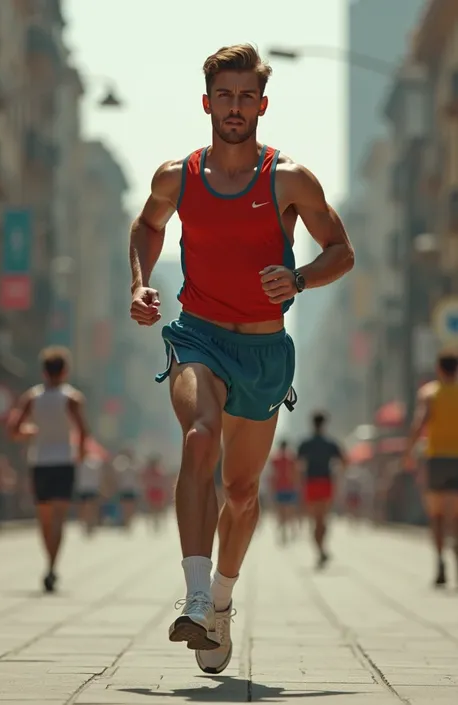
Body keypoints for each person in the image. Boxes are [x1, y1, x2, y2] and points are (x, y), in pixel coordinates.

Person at [129, 43, 354, 674]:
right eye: (223, 96)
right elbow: (147, 226)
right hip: (197, 335)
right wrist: (139, 282)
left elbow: (342, 250)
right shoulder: (178, 176)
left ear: (261, 104)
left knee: (243, 491)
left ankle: (222, 602)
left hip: (262, 350)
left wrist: (302, 279)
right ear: (207, 103)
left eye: (245, 96)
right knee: (200, 438)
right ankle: (196, 597)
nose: (235, 107)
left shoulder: (290, 178)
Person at [8, 346, 88, 592]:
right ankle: (52, 567)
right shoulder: (72, 398)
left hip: (39, 461)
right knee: (59, 519)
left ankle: (49, 563)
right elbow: (83, 431)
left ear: (43, 371)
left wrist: (31, 432)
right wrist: (81, 454)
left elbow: (14, 429)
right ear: (65, 371)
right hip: (64, 461)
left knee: (44, 519)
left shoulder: (31, 397)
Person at [404, 351, 458, 587]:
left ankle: (439, 561)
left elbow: (420, 422)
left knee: (436, 515)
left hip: (436, 460)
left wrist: (408, 452)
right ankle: (455, 547)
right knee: (455, 515)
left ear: (438, 369)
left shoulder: (429, 393)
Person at [297, 412, 346, 569]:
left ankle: (320, 550)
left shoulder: (305, 443)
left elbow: (297, 465)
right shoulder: (330, 443)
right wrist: (338, 475)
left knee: (315, 520)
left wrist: (299, 483)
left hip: (311, 483)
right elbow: (344, 461)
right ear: (324, 424)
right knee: (322, 519)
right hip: (326, 482)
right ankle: (321, 549)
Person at [269, 439, 299, 544]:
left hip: (279, 487)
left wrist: (271, 489)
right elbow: (295, 473)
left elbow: (273, 475)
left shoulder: (275, 459)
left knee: (281, 511)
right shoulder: (291, 458)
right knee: (290, 510)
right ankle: (292, 531)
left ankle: (282, 532)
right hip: (289, 487)